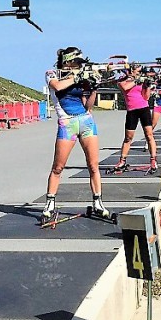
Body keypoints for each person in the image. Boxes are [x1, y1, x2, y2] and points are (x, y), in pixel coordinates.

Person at [42, 47, 111, 222]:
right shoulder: (52, 73)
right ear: (67, 62)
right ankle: (50, 203)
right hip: (67, 123)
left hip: (86, 121)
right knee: (58, 167)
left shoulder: (81, 77)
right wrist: (77, 76)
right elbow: (58, 86)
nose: (80, 66)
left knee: (93, 165)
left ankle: (98, 201)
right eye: (77, 63)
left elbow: (87, 105)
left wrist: (94, 87)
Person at [111, 64, 157, 174]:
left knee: (149, 135)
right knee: (128, 138)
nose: (139, 73)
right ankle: (122, 161)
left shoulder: (141, 81)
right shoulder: (123, 80)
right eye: (137, 71)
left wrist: (147, 86)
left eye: (140, 72)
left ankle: (153, 160)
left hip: (144, 109)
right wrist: (136, 80)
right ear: (131, 71)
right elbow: (125, 87)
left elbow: (146, 97)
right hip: (132, 111)